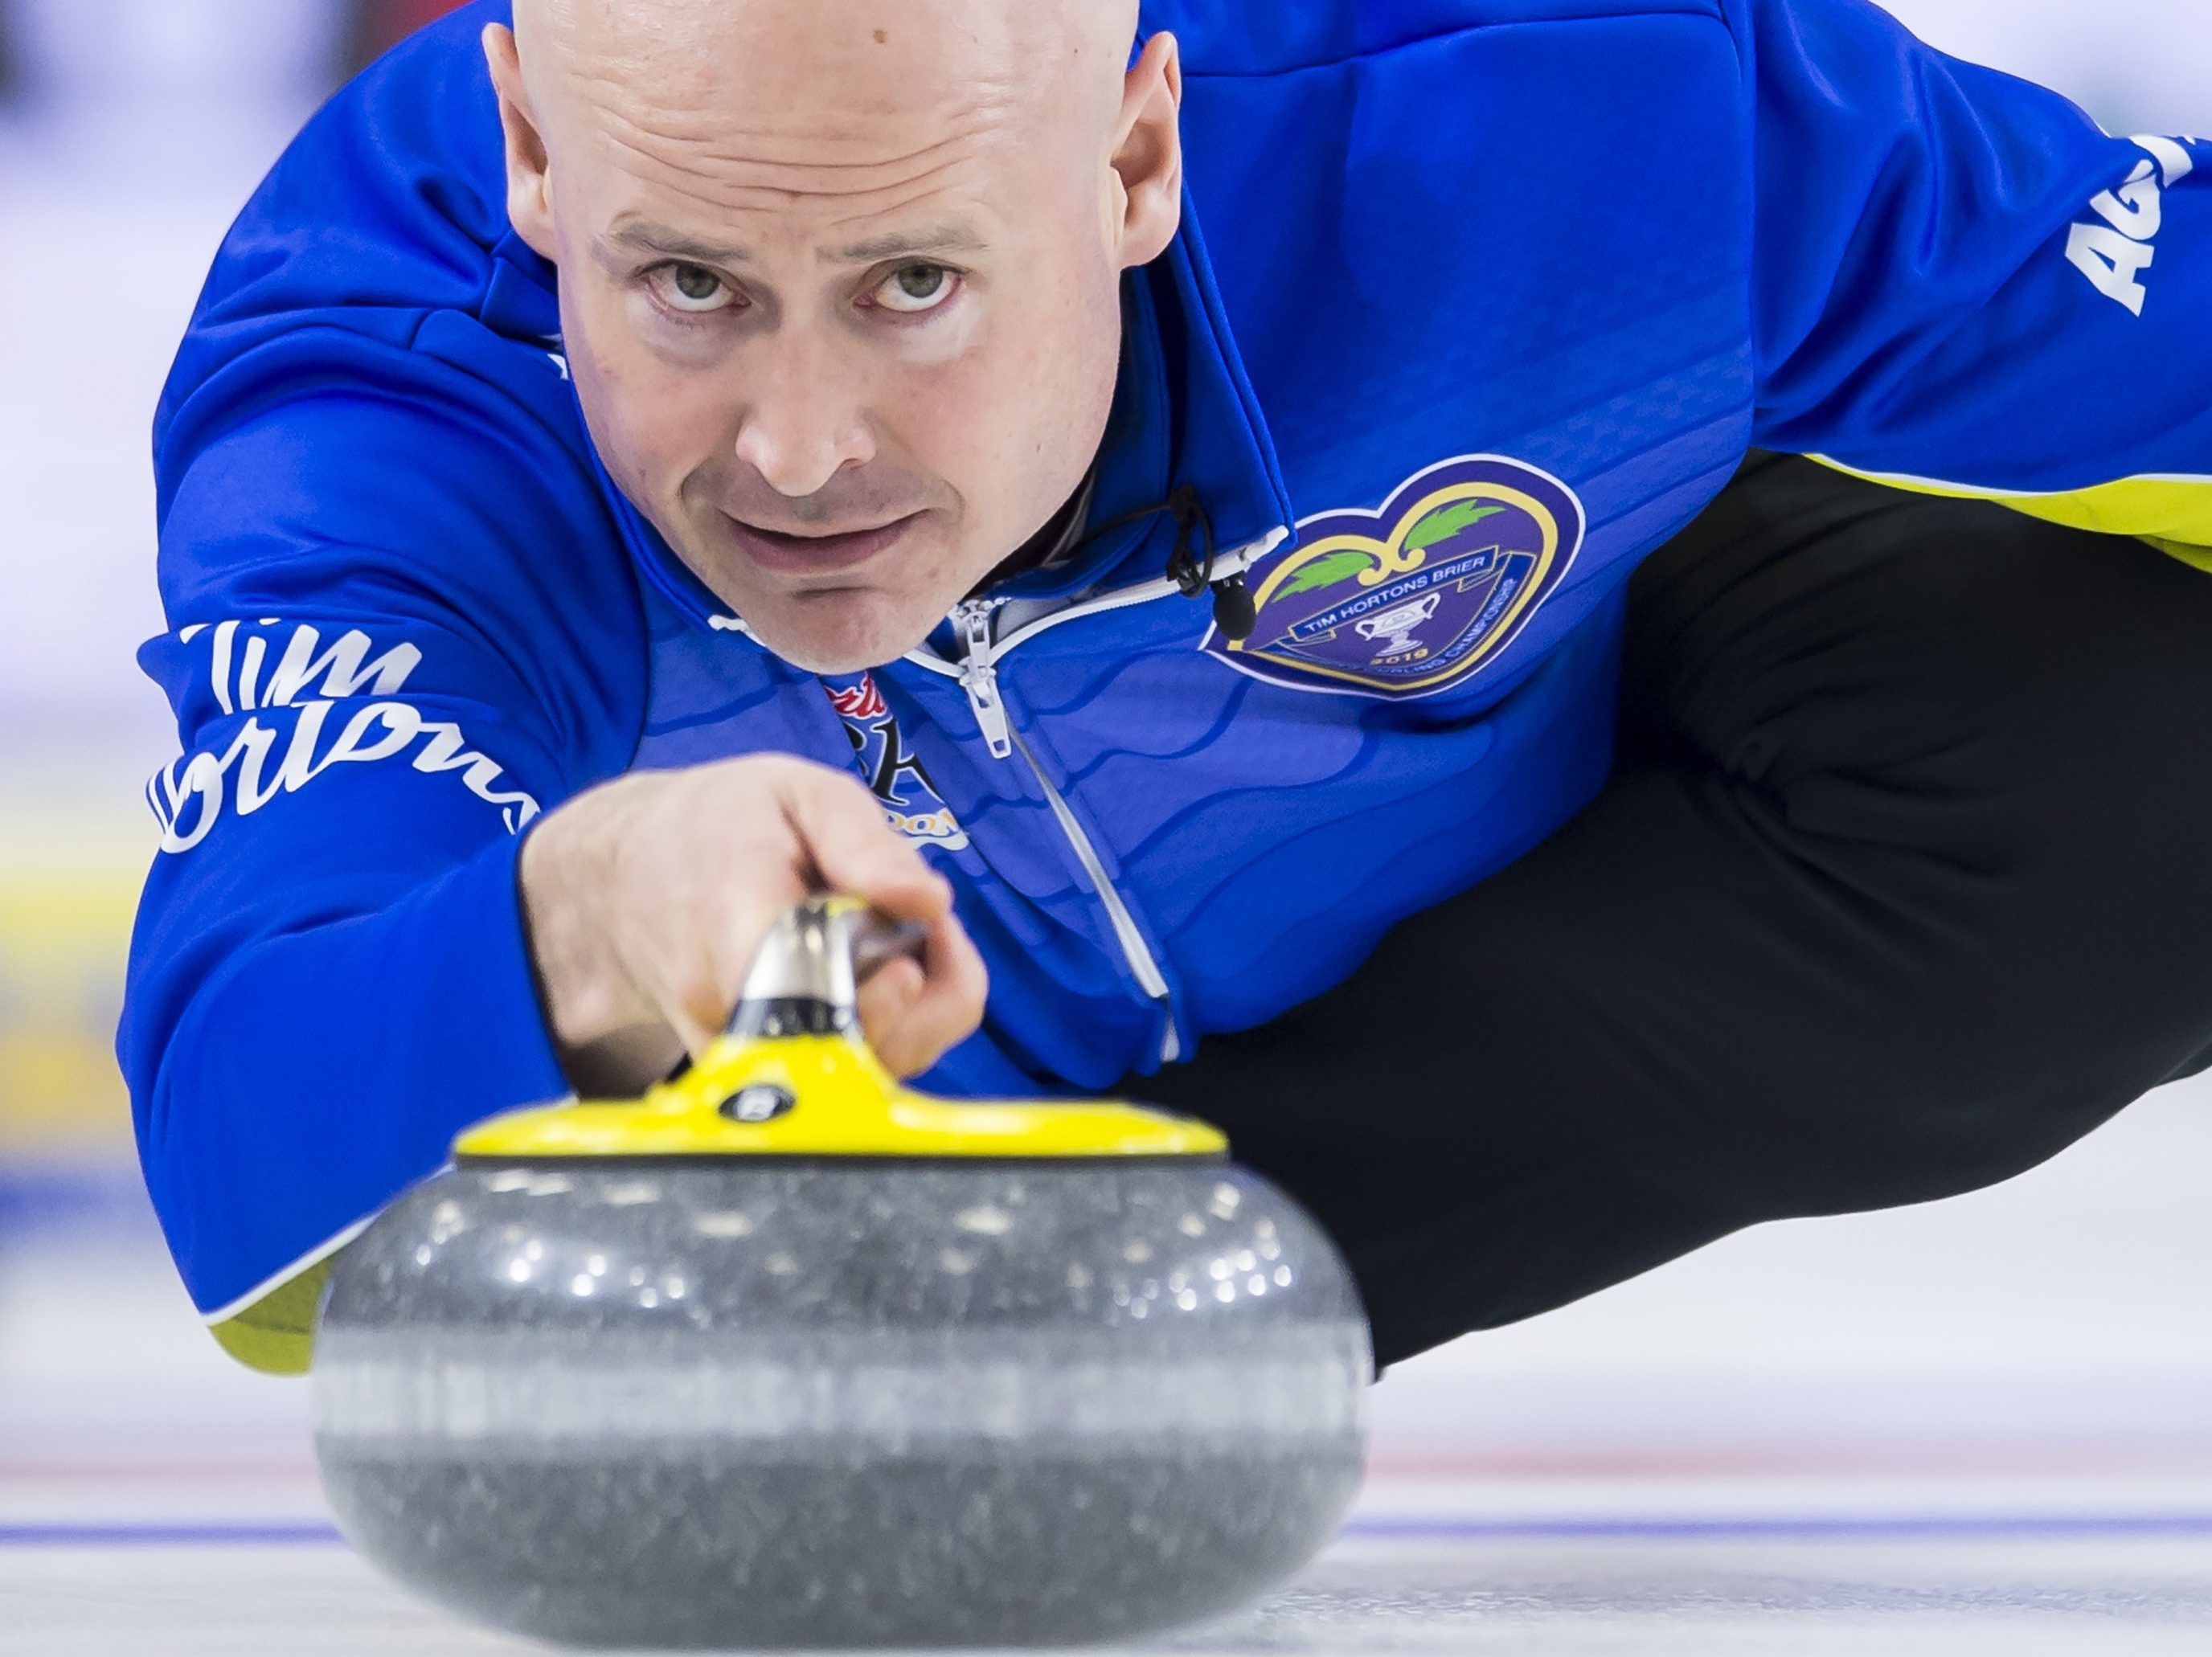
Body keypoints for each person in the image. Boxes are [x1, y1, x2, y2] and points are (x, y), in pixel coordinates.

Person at [123, 0, 2212, 1376]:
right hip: (875, 1131)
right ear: (531, 152)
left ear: (1139, 150)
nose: (794, 451)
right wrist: (576, 917)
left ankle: (1084, 1322)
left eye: (914, 283)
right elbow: (244, 1199)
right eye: (690, 287)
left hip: (1605, 745)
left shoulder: (1568, 96)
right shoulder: (390, 383)